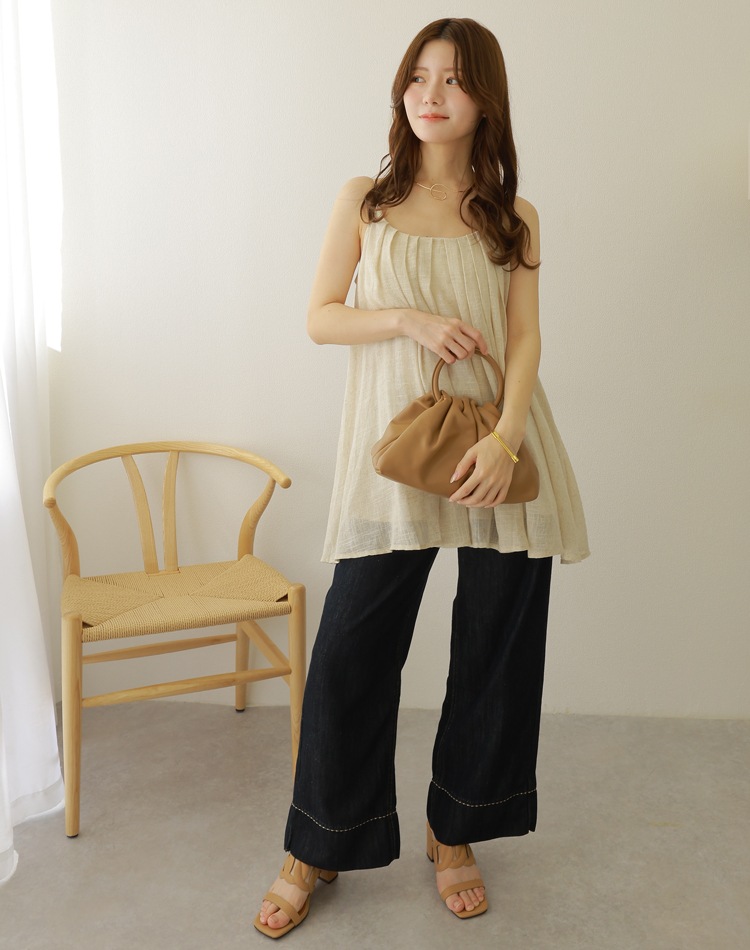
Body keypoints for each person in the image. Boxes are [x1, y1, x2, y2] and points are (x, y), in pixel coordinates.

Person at [254, 17, 589, 939]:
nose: (430, 94)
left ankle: (456, 833)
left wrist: (508, 441)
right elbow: (322, 316)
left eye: (453, 79)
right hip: (397, 453)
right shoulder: (365, 200)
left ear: (486, 98)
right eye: (418, 76)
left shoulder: (513, 215)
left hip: (499, 451)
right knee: (352, 650)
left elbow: (525, 338)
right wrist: (406, 319)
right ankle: (318, 842)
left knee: (496, 653)